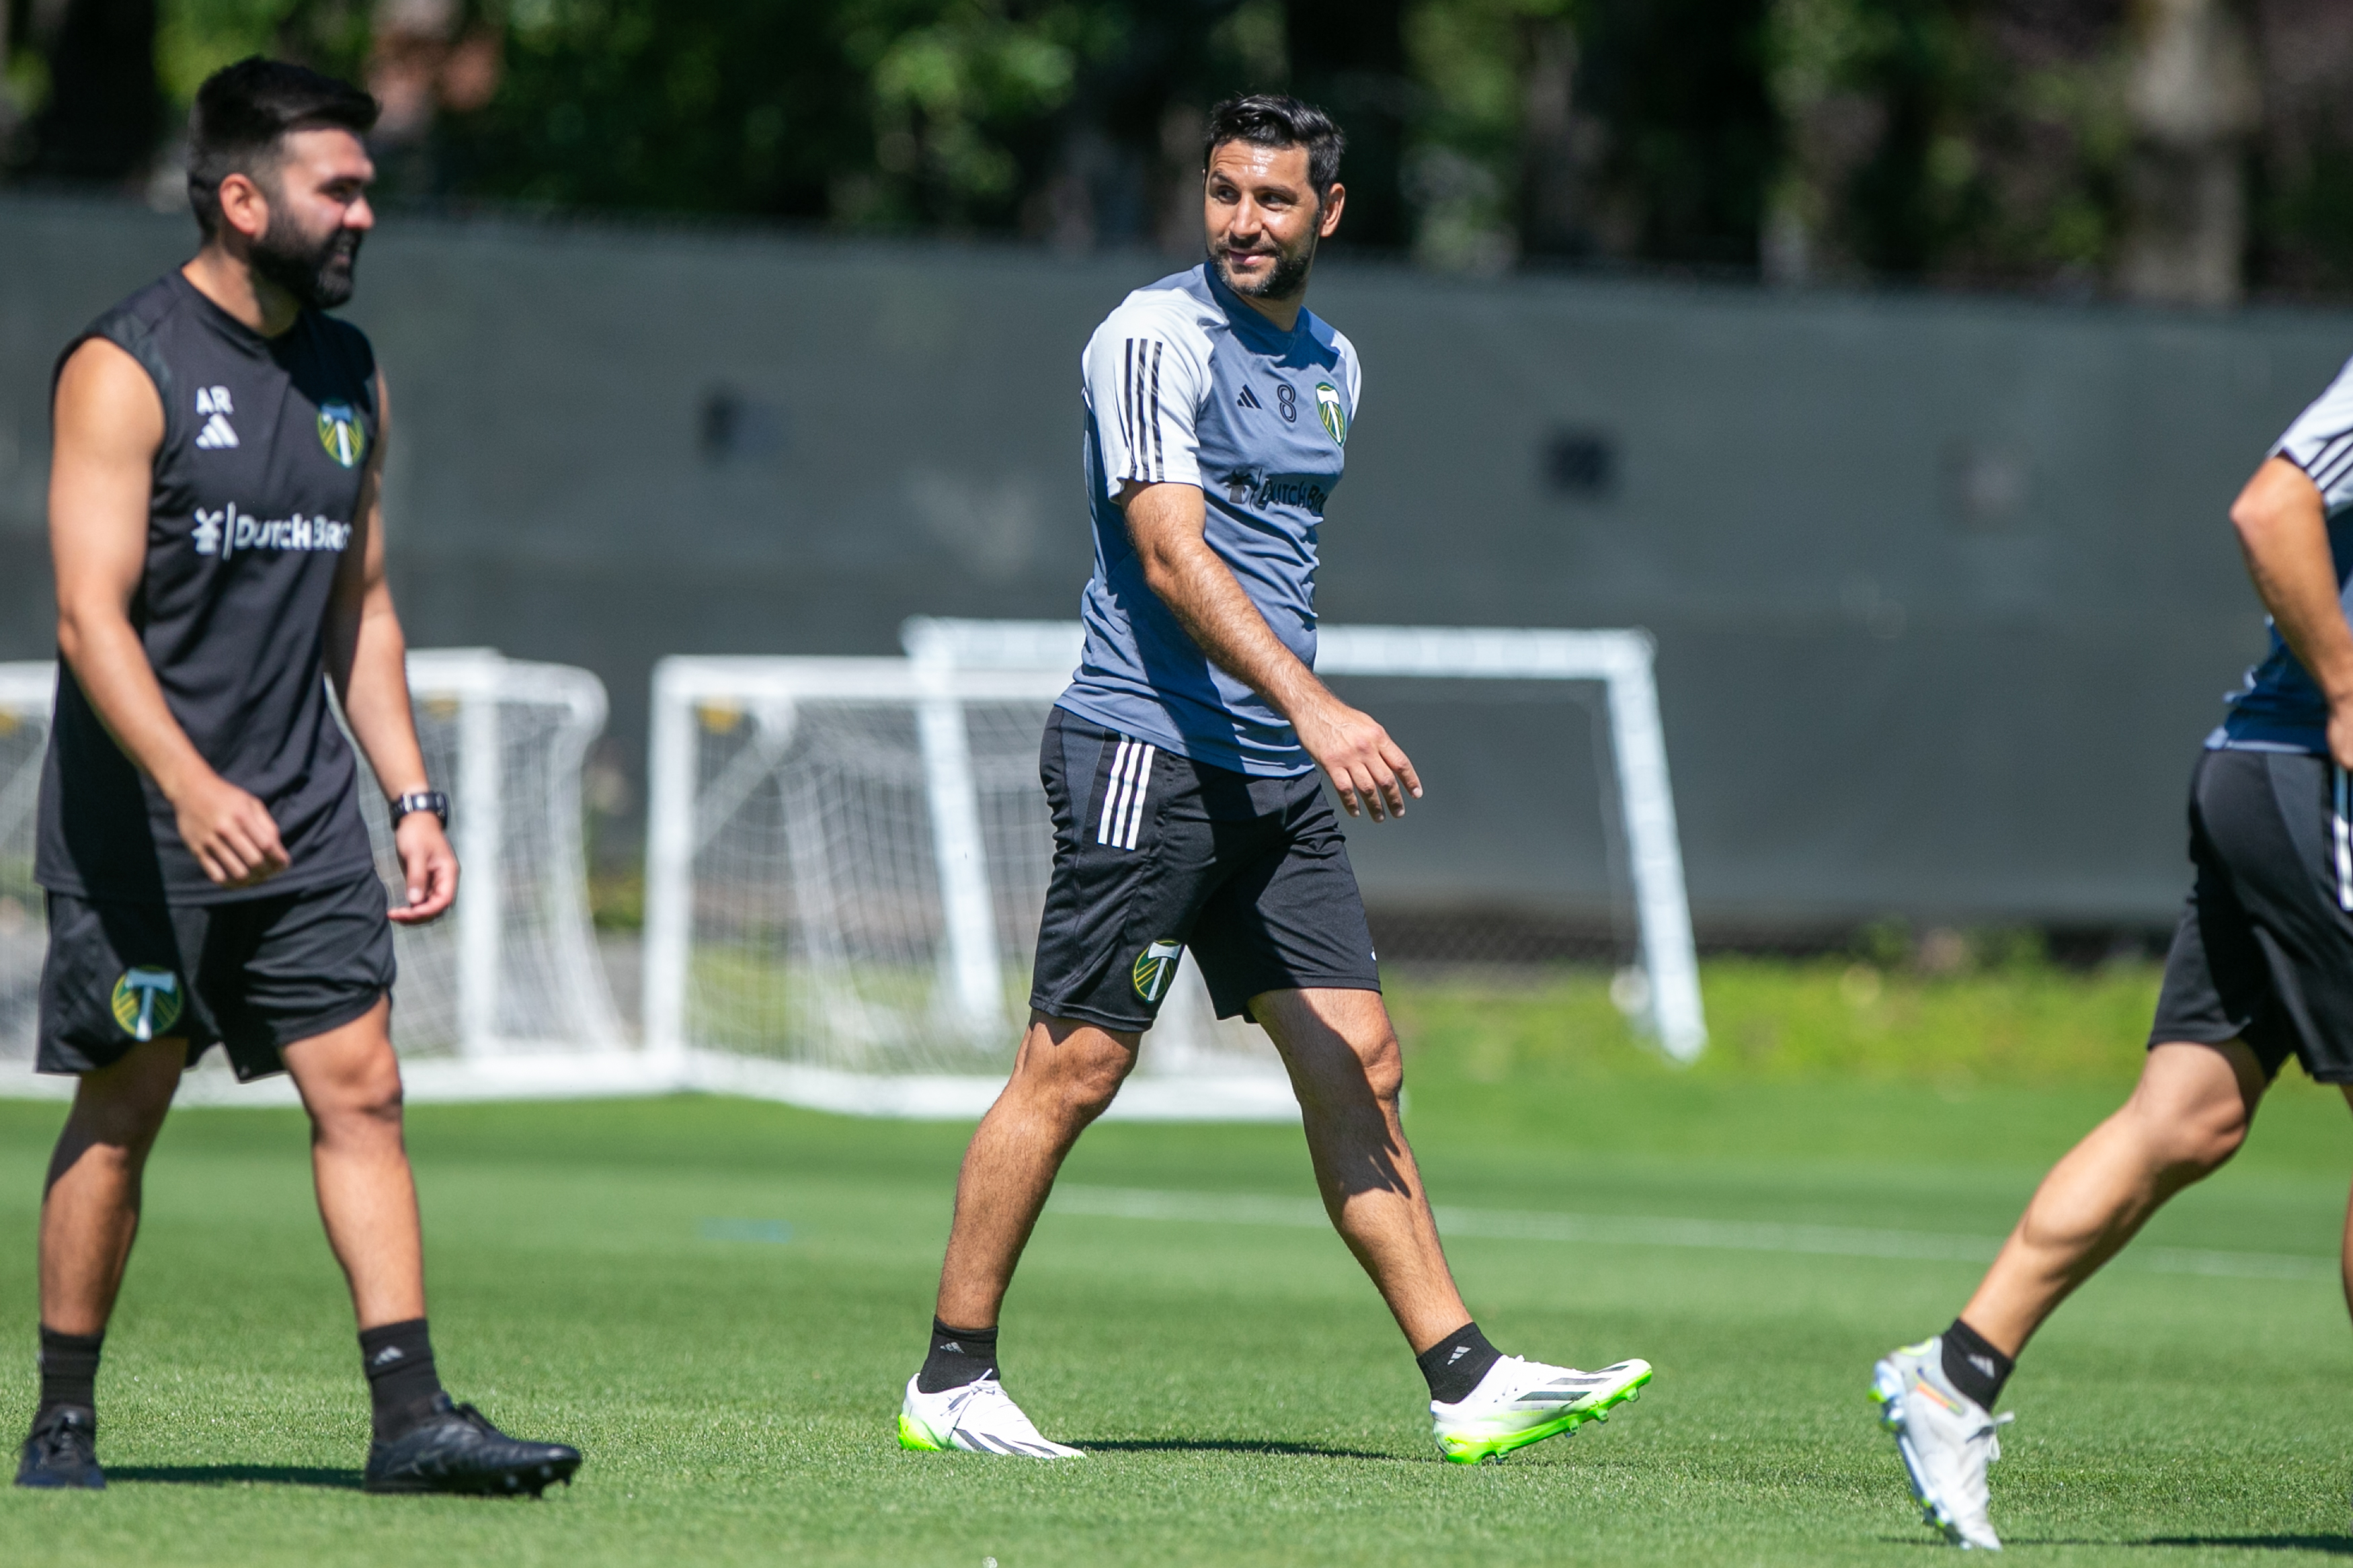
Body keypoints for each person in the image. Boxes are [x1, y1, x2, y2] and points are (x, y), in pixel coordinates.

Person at [895, 93, 1651, 1464]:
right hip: (1148, 753)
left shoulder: (1332, 365)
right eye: (1225, 193)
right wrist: (1314, 707)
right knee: (1073, 1067)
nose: (1245, 221)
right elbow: (1174, 553)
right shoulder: (1148, 336)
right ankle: (950, 1382)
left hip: (1269, 779)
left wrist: (1292, 724)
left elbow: (1278, 566)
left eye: (1275, 199)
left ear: (1330, 212)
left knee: (1362, 1055)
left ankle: (1465, 1377)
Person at [15, 56, 579, 1496]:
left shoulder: (349, 373)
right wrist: (192, 788)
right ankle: (62, 1424)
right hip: (143, 823)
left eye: (368, 188)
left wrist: (411, 797)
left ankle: (412, 1422)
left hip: (310, 818)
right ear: (243, 196)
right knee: (126, 1105)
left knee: (364, 1092)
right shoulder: (123, 365)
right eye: (339, 188)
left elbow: (364, 609)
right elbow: (87, 617)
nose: (363, 215)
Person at [1872, 359, 2353, 1547]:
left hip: (2263, 775)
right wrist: (2347, 691)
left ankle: (1954, 1377)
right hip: (2311, 776)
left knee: (2186, 1117)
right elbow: (2271, 505)